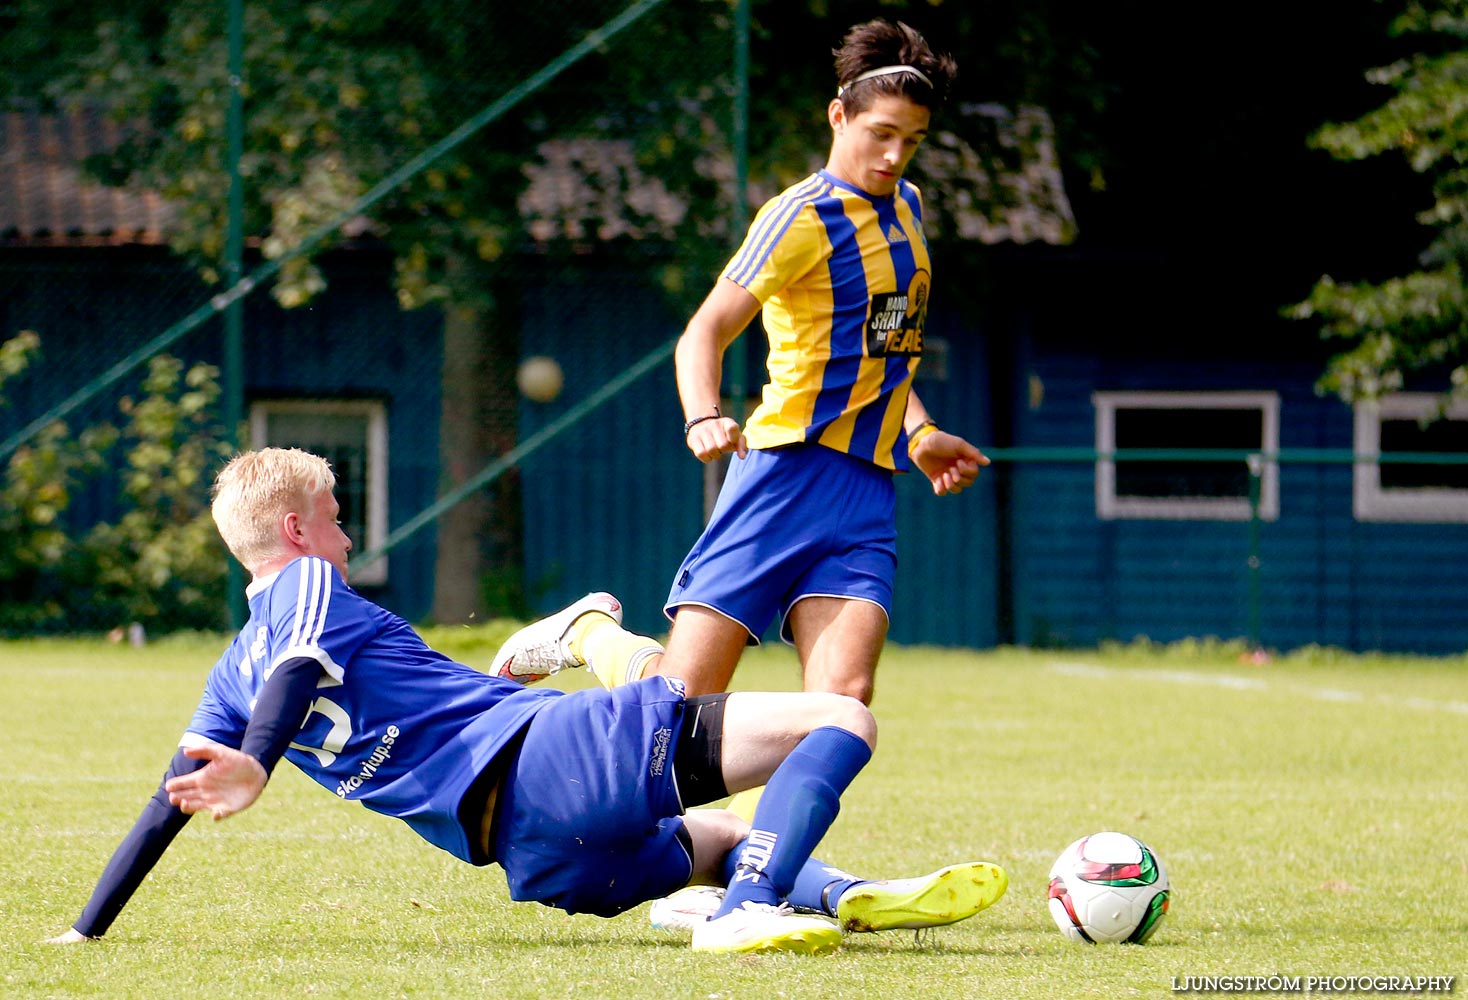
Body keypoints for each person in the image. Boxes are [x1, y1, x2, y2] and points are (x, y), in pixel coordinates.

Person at [45, 448, 1007, 955]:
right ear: (295, 530)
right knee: (841, 718)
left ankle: (825, 892)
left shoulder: (223, 672)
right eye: (336, 524)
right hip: (554, 760)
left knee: (711, 840)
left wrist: (87, 927)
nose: (344, 544)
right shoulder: (300, 591)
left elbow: (163, 805)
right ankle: (752, 900)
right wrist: (258, 758)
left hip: (534, 857)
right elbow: (298, 667)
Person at [492, 18, 988, 927]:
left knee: (840, 708)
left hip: (865, 495)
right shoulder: (797, 217)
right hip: (781, 482)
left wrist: (918, 434)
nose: (892, 155)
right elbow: (704, 332)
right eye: (879, 133)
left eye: (910, 142)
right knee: (675, 717)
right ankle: (592, 636)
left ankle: (747, 888)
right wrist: (705, 415)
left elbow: (889, 355)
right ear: (838, 114)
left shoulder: (911, 212)